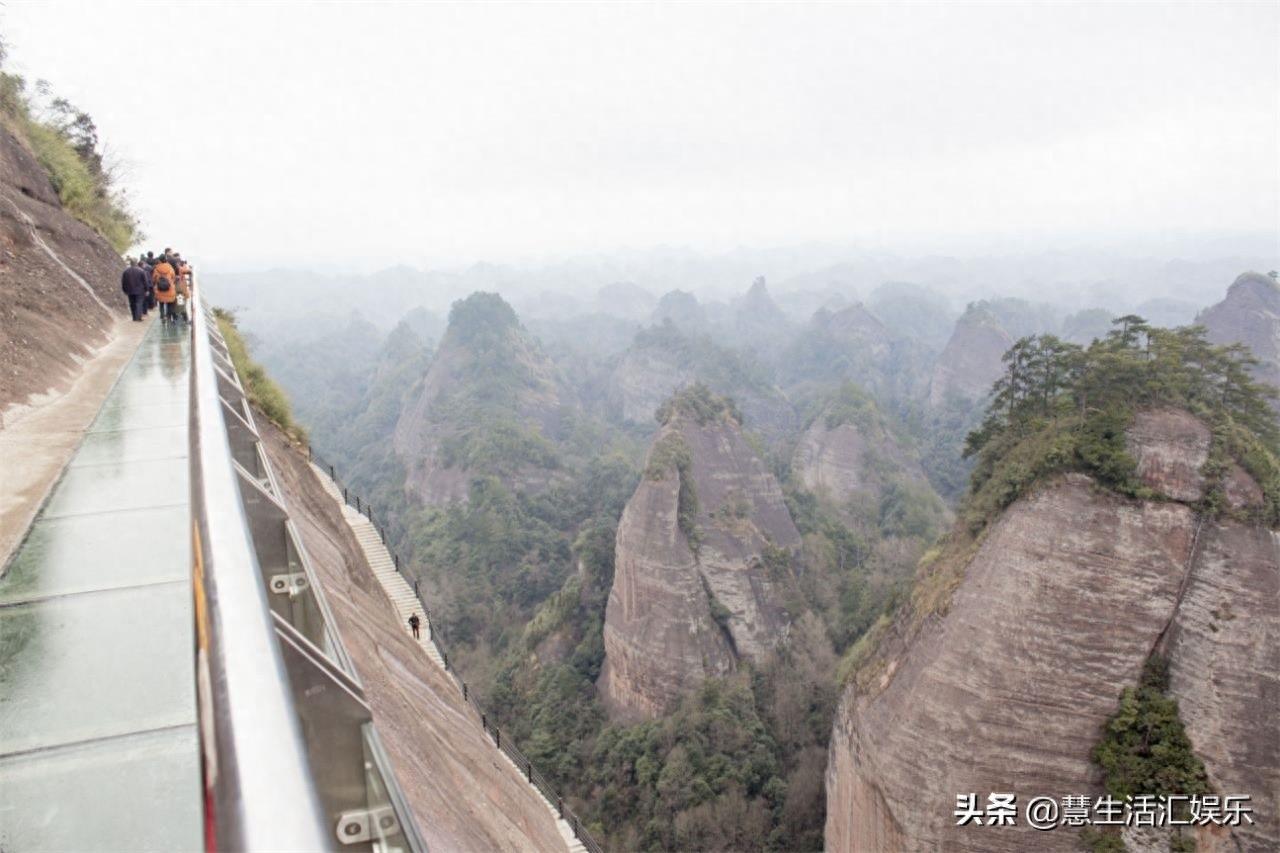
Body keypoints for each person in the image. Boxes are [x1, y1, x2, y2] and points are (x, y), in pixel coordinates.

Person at [152, 255, 178, 322]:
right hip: (169, 289)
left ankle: (162, 316)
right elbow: (173, 277)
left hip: (160, 289)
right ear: (166, 260)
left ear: (159, 260)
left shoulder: (156, 269)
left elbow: (154, 279)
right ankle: (168, 317)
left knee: (161, 304)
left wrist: (156, 282)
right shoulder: (170, 268)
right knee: (169, 303)